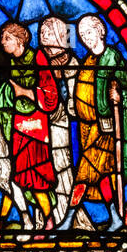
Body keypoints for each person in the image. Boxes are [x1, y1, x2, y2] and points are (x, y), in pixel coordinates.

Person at [0, 22, 59, 226]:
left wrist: (23, 92)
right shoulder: (8, 63)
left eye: (6, 38)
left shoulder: (37, 58)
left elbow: (51, 95)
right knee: (14, 177)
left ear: (18, 40)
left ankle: (49, 221)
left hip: (35, 127)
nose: (2, 42)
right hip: (16, 125)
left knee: (34, 177)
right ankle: (0, 224)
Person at [68, 14, 127, 228]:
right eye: (81, 35)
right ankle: (115, 218)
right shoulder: (88, 60)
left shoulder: (113, 57)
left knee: (84, 175)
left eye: (89, 32)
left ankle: (69, 219)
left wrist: (120, 96)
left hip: (107, 129)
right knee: (101, 177)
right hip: (87, 129)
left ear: (101, 31)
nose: (85, 38)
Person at [39, 16, 76, 227]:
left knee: (62, 168)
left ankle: (65, 214)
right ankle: (45, 216)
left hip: (63, 125)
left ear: (60, 35)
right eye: (42, 33)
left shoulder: (70, 61)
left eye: (48, 32)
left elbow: (73, 94)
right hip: (41, 125)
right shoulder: (39, 61)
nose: (44, 37)